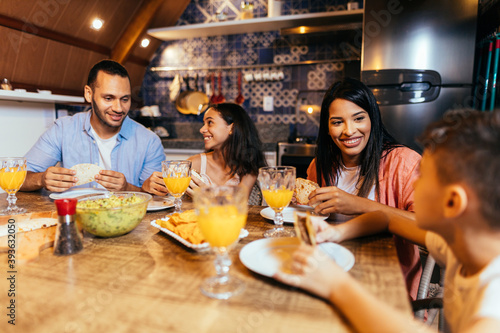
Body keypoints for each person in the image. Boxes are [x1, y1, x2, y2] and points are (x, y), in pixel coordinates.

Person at [275, 109, 500, 332]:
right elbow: (385, 219)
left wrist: (336, 285)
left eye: (424, 176)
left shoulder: (494, 301)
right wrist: (335, 233)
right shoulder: (457, 243)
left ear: (452, 202)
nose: (413, 184)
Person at [304, 78, 422, 299]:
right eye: (337, 122)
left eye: (358, 118)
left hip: (382, 281)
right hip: (329, 272)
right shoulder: (319, 167)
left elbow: (429, 231)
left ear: (372, 119)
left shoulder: (404, 163)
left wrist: (358, 204)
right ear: (327, 128)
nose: (349, 131)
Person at [21, 59, 165, 192]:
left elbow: (156, 198)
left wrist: (127, 188)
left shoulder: (149, 142)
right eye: (108, 98)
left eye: (125, 99)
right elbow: (18, 179)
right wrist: (41, 179)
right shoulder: (63, 130)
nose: (119, 108)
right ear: (89, 94)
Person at [143, 103, 267, 203]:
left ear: (232, 128)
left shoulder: (248, 168)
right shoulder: (193, 163)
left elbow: (239, 203)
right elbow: (167, 194)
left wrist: (209, 195)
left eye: (210, 122)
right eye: (203, 123)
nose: (202, 129)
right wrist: (149, 187)